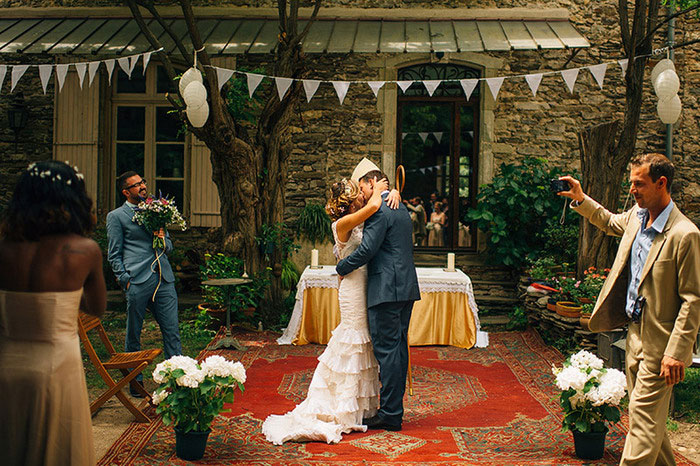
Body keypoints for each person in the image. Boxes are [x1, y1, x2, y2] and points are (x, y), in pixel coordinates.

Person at [559, 153, 700, 466]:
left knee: (642, 424)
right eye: (632, 182)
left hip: (662, 345)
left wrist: (677, 352)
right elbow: (609, 222)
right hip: (634, 335)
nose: (633, 189)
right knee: (647, 419)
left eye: (639, 183)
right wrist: (582, 199)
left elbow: (693, 298)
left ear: (661, 183)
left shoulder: (685, 234)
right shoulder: (638, 217)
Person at [262, 175, 401, 444]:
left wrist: (392, 192)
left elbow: (373, 210)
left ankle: (361, 408)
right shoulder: (342, 224)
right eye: (358, 196)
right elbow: (373, 207)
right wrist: (386, 190)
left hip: (365, 284)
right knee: (352, 340)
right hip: (352, 287)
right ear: (349, 205)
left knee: (364, 343)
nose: (363, 195)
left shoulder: (354, 216)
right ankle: (339, 407)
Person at [0, 161, 107, 465]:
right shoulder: (83, 250)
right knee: (58, 447)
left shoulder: (4, 249)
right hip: (58, 364)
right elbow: (96, 308)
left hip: (7, 362)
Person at [336, 160, 420, 432]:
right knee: (397, 349)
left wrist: (341, 266)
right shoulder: (400, 206)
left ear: (373, 184)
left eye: (362, 188)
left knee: (387, 351)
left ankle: (391, 414)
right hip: (405, 287)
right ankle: (393, 410)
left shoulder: (380, 210)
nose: (360, 195)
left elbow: (367, 250)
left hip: (386, 290)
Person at [107, 171, 182, 397]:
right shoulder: (117, 216)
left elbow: (168, 247)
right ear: (126, 192)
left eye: (142, 182)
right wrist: (125, 280)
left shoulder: (158, 210)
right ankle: (136, 383)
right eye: (136, 185)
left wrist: (162, 236)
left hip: (164, 279)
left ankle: (178, 382)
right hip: (137, 281)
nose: (142, 187)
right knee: (134, 334)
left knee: (172, 332)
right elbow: (113, 254)